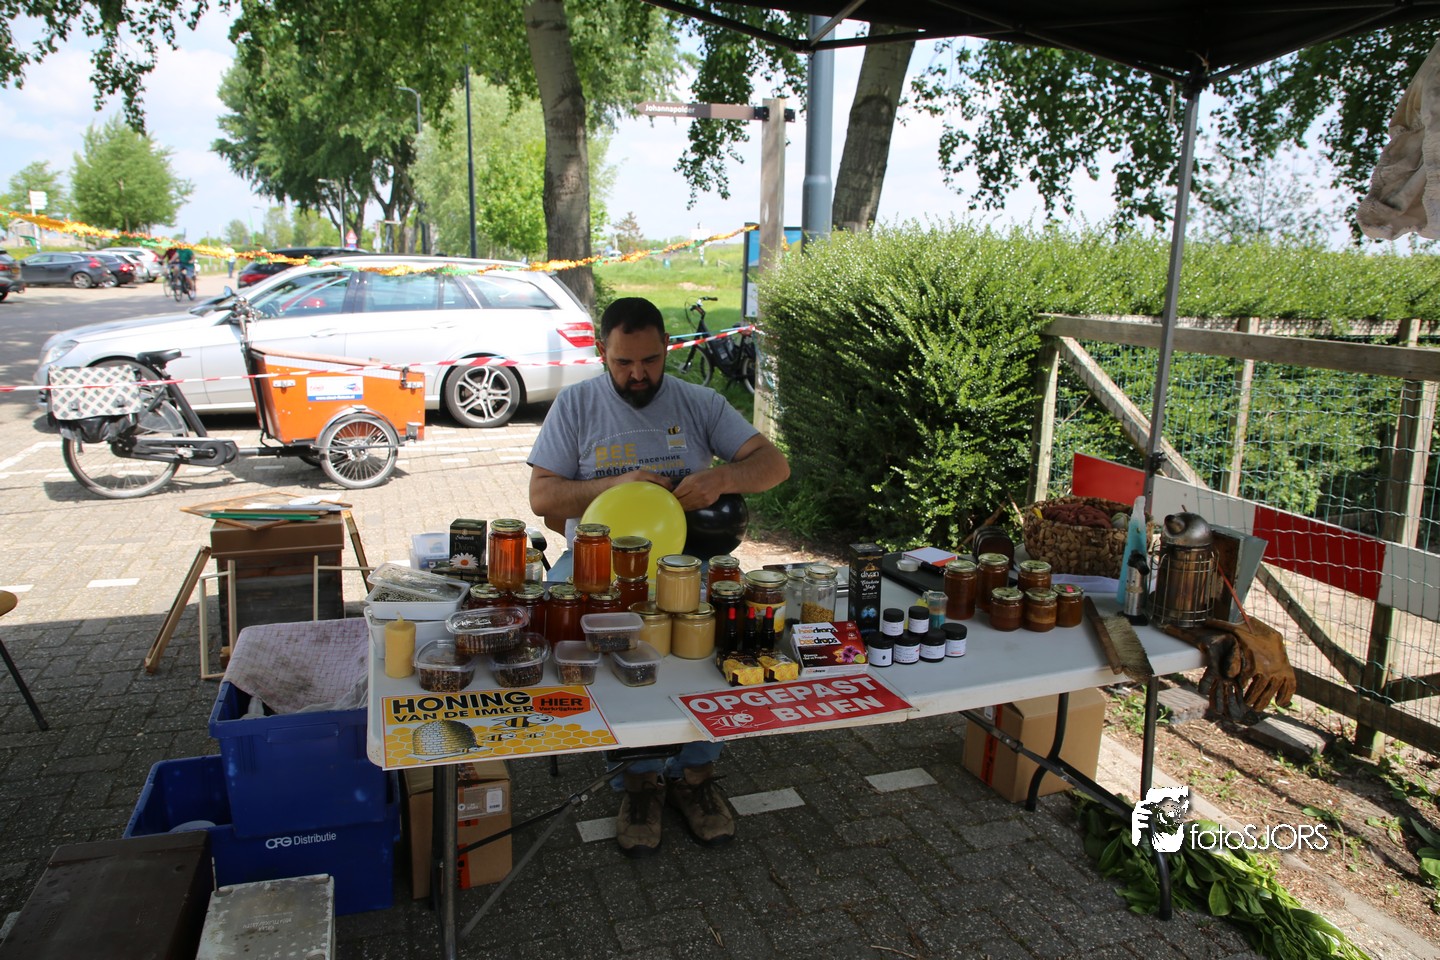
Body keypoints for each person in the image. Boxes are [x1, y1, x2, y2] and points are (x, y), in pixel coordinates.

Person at [528, 296, 789, 858]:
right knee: (593, 648)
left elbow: (774, 465)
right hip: (598, 563)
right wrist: (613, 485)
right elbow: (542, 498)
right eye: (623, 362)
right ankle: (639, 780)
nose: (638, 374)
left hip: (684, 560)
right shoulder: (576, 405)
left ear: (667, 348)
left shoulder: (699, 402)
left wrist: (721, 478)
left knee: (709, 647)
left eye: (649, 360)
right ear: (601, 352)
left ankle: (696, 776)